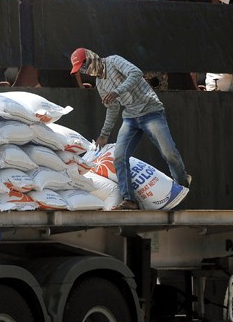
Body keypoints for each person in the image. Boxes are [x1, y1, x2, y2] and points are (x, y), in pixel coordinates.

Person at [70, 48, 191, 210]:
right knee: (119, 157)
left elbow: (136, 73)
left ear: (92, 57)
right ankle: (129, 200)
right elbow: (112, 108)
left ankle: (182, 181)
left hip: (150, 110)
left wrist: (117, 91)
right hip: (131, 117)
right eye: (81, 69)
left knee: (168, 152)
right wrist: (104, 134)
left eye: (84, 65)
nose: (85, 70)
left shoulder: (113, 61)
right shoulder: (100, 83)